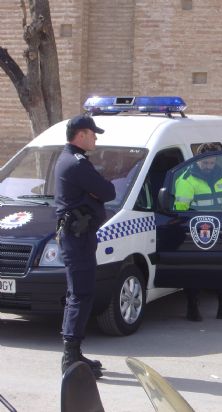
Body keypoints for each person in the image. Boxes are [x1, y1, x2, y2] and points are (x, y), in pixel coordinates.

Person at [54, 114, 116, 379]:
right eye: (93, 133)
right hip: (77, 238)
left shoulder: (72, 160)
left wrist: (96, 192)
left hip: (79, 236)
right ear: (81, 134)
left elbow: (102, 192)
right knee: (80, 294)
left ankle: (74, 354)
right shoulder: (77, 164)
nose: (96, 138)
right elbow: (109, 192)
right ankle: (70, 357)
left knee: (79, 294)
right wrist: (97, 192)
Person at [174, 142, 222, 321]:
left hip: (218, 229)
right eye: (205, 163)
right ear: (198, 160)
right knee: (195, 271)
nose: (208, 167)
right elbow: (180, 209)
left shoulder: (219, 176)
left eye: (211, 163)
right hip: (196, 231)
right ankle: (192, 308)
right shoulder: (186, 180)